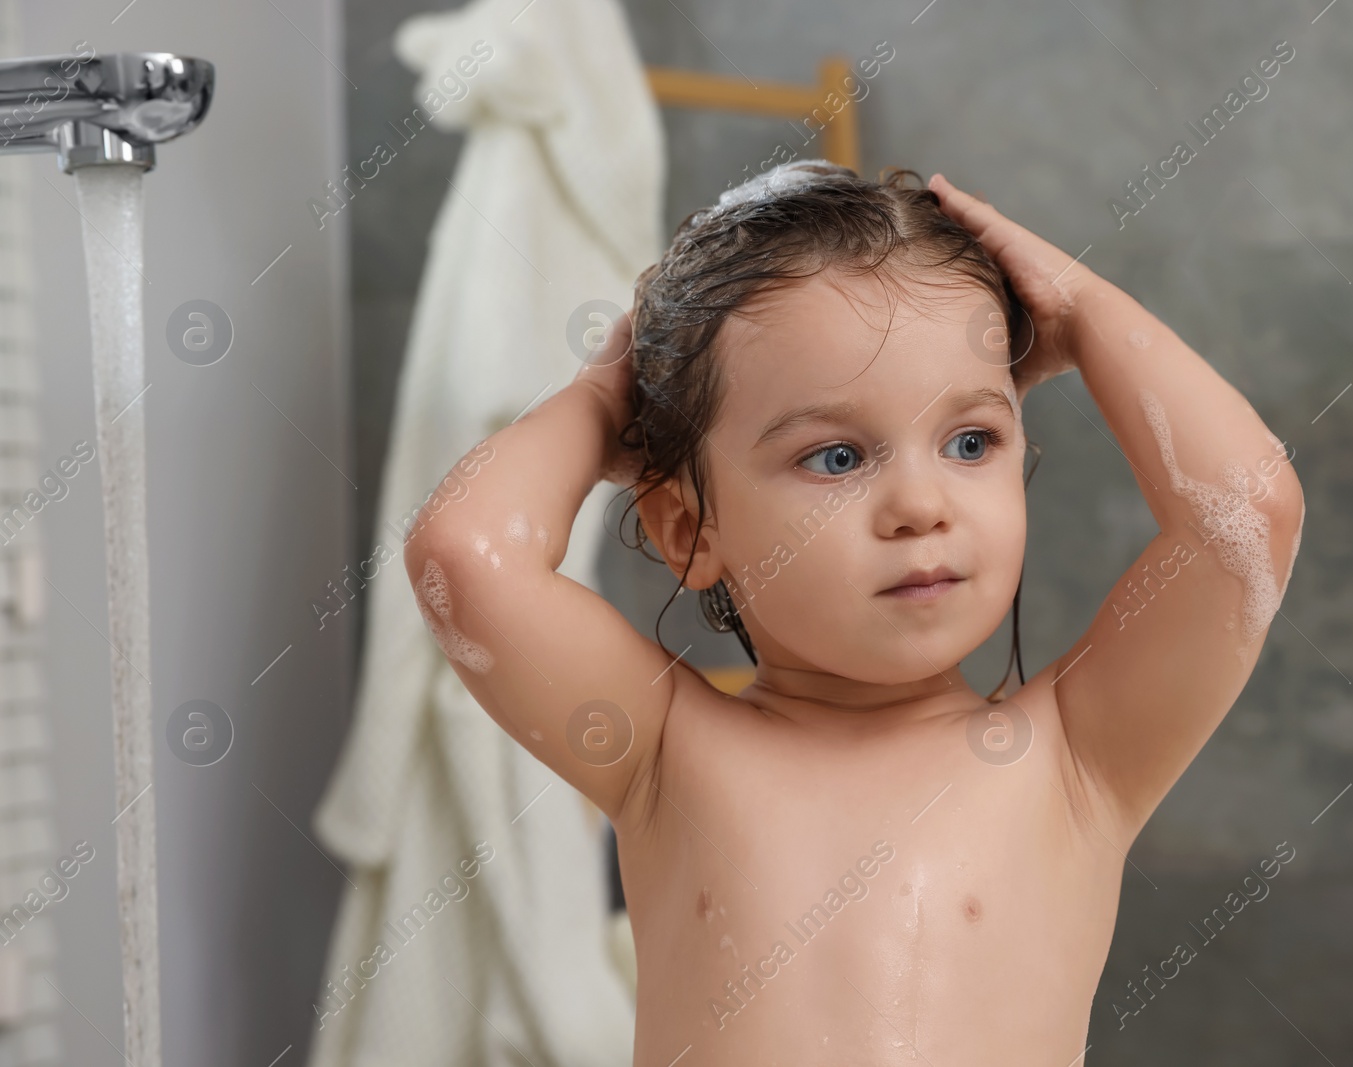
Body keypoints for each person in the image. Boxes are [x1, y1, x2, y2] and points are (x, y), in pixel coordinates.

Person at [402, 160, 1304, 1064]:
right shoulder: (664, 751)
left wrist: (1075, 309)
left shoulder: (1078, 755)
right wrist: (610, 393)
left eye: (970, 440)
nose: (921, 503)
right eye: (836, 457)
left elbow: (1245, 518)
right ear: (687, 526)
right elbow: (465, 560)